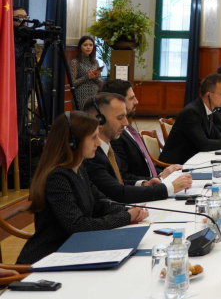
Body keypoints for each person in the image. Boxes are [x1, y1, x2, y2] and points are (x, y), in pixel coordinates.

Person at [16, 112, 148, 264]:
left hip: (72, 253)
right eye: (93, 137)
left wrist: (130, 211)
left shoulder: (79, 169)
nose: (98, 143)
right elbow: (78, 226)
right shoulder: (57, 177)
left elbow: (101, 203)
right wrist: (126, 216)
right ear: (72, 142)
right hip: (48, 260)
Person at [84, 93, 192, 202]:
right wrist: (170, 187)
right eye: (120, 118)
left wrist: (144, 184)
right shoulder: (92, 155)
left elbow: (118, 182)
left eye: (125, 116)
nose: (126, 123)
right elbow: (118, 192)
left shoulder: (108, 149)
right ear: (100, 120)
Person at [103, 79, 185, 182]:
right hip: (145, 188)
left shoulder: (128, 129)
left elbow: (147, 168)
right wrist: (160, 178)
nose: (136, 101)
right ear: (119, 102)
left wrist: (165, 173)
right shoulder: (116, 136)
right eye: (131, 98)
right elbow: (123, 178)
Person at [159, 73, 221, 164]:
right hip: (175, 165)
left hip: (192, 160)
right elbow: (204, 144)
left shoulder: (207, 109)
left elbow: (216, 134)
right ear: (209, 95)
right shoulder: (191, 112)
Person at [69, 35, 103, 111]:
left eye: (91, 45)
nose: (88, 47)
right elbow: (72, 83)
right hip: (80, 96)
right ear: (80, 47)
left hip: (94, 95)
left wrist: (94, 76)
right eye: (85, 45)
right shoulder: (75, 62)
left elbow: (100, 82)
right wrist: (87, 76)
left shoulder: (95, 61)